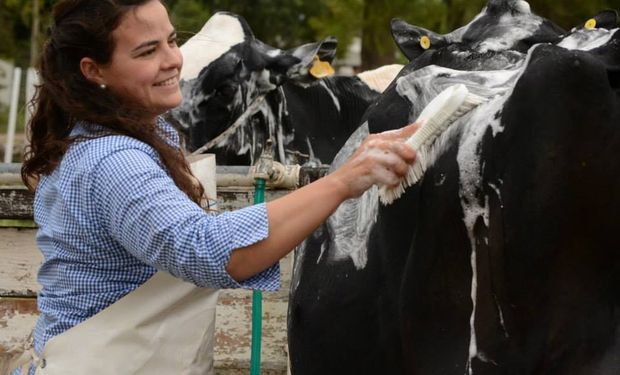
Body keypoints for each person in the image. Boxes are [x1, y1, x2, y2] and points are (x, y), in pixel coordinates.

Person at [12, 0, 419, 373]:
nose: (172, 60)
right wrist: (343, 181)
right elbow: (206, 250)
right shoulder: (114, 160)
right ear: (93, 71)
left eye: (172, 41)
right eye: (146, 52)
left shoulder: (136, 136)